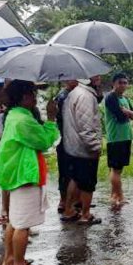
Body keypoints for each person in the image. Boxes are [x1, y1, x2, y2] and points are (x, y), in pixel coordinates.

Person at [0, 80, 59, 265]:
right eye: (32, 94)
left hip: (17, 173)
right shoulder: (23, 120)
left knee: (15, 220)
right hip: (25, 174)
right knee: (23, 224)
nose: (35, 97)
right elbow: (45, 141)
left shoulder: (14, 115)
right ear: (23, 97)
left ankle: (10, 259)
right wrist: (52, 118)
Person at [61, 77, 103, 225]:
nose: (99, 77)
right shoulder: (85, 96)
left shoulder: (74, 93)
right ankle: (85, 214)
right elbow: (86, 127)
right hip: (84, 149)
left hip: (73, 147)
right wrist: (95, 147)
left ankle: (69, 210)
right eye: (95, 75)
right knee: (87, 183)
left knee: (75, 179)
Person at [103, 73, 133, 207]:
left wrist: (126, 111)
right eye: (120, 82)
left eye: (125, 82)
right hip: (115, 138)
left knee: (118, 169)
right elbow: (120, 117)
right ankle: (120, 196)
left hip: (125, 137)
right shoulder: (111, 98)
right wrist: (128, 113)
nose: (123, 85)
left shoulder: (125, 98)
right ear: (114, 83)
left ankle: (113, 196)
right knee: (115, 169)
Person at [54, 80, 78, 213]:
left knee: (74, 170)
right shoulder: (63, 96)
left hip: (73, 138)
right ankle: (63, 200)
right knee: (65, 171)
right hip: (65, 138)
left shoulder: (74, 94)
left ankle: (73, 199)